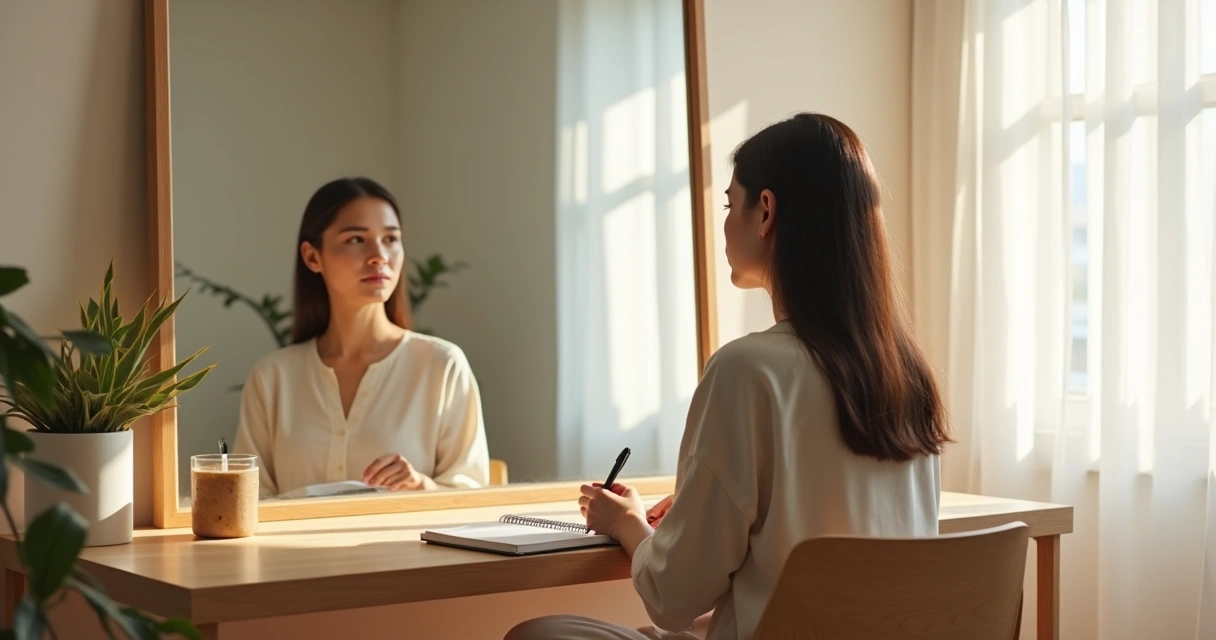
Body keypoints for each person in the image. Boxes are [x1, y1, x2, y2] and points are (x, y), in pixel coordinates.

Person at [505, 113, 950, 640]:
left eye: (728, 203)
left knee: (540, 634)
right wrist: (700, 510)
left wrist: (629, 524)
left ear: (765, 211)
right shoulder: (909, 375)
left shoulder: (748, 369)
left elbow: (673, 598)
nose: (724, 220)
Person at [233, 177, 490, 498]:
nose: (379, 255)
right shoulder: (272, 377)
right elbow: (249, 502)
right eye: (356, 239)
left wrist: (419, 485)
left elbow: (472, 497)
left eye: (391, 239)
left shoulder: (442, 365)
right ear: (313, 257)